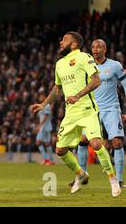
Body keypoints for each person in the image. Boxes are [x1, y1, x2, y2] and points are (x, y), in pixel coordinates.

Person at [31, 31, 121, 197]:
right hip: (70, 113)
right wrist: (43, 104)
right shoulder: (59, 64)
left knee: (95, 144)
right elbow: (58, 88)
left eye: (64, 40)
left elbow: (96, 80)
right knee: (60, 150)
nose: (60, 42)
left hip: (87, 109)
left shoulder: (84, 57)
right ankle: (81, 174)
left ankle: (113, 180)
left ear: (73, 44)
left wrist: (78, 95)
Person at [75, 39, 126, 187]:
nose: (95, 49)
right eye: (93, 47)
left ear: (105, 49)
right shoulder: (86, 66)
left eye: (98, 47)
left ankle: (119, 179)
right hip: (92, 110)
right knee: (83, 140)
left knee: (117, 142)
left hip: (111, 109)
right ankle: (82, 177)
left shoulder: (115, 66)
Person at [34, 92, 55, 166]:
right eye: (40, 97)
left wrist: (39, 125)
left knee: (39, 142)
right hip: (43, 127)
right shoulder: (42, 106)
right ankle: (49, 160)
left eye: (42, 97)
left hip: (45, 127)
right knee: (46, 143)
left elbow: (46, 116)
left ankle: (49, 159)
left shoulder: (47, 106)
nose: (40, 98)